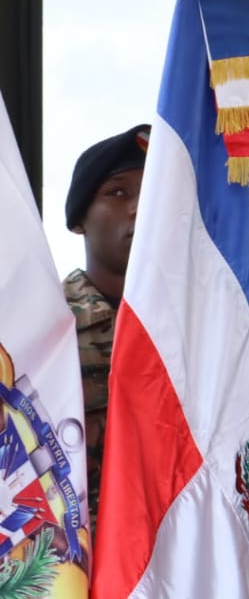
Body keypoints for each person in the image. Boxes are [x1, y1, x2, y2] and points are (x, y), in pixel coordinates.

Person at [63, 122, 150, 528]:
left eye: (154, 193)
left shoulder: (203, 329)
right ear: (80, 217)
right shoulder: (44, 324)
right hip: (67, 567)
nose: (140, 207)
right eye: (118, 193)